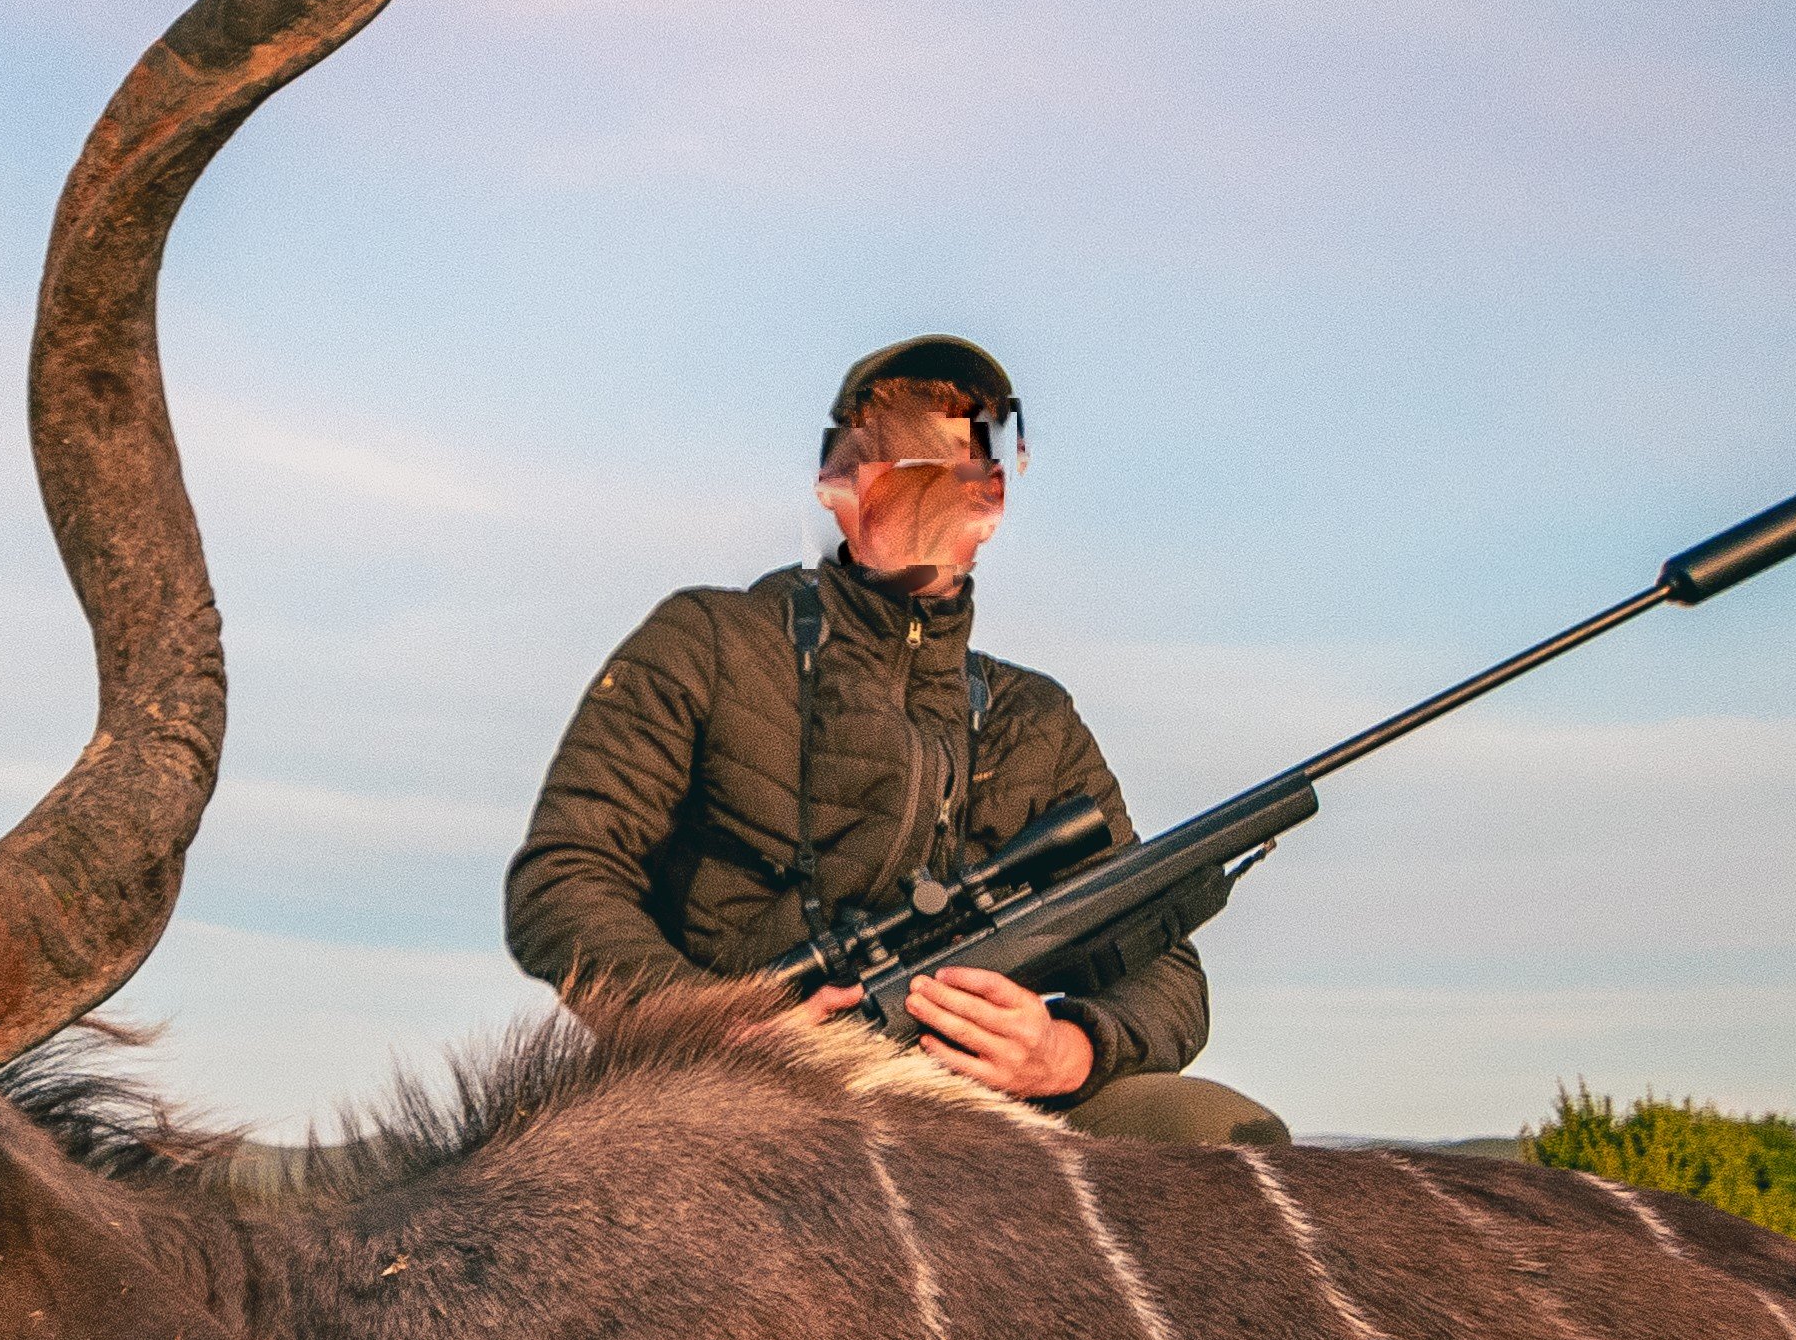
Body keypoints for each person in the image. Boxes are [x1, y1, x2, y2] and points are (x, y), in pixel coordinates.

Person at [505, 335, 1287, 1146]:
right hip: (723, 1094)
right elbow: (562, 879)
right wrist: (721, 1029)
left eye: (961, 463)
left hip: (970, 1106)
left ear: (992, 497)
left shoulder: (1038, 720)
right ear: (838, 481)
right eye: (895, 457)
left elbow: (1161, 961)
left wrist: (1069, 1049)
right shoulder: (707, 640)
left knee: (1215, 1130)